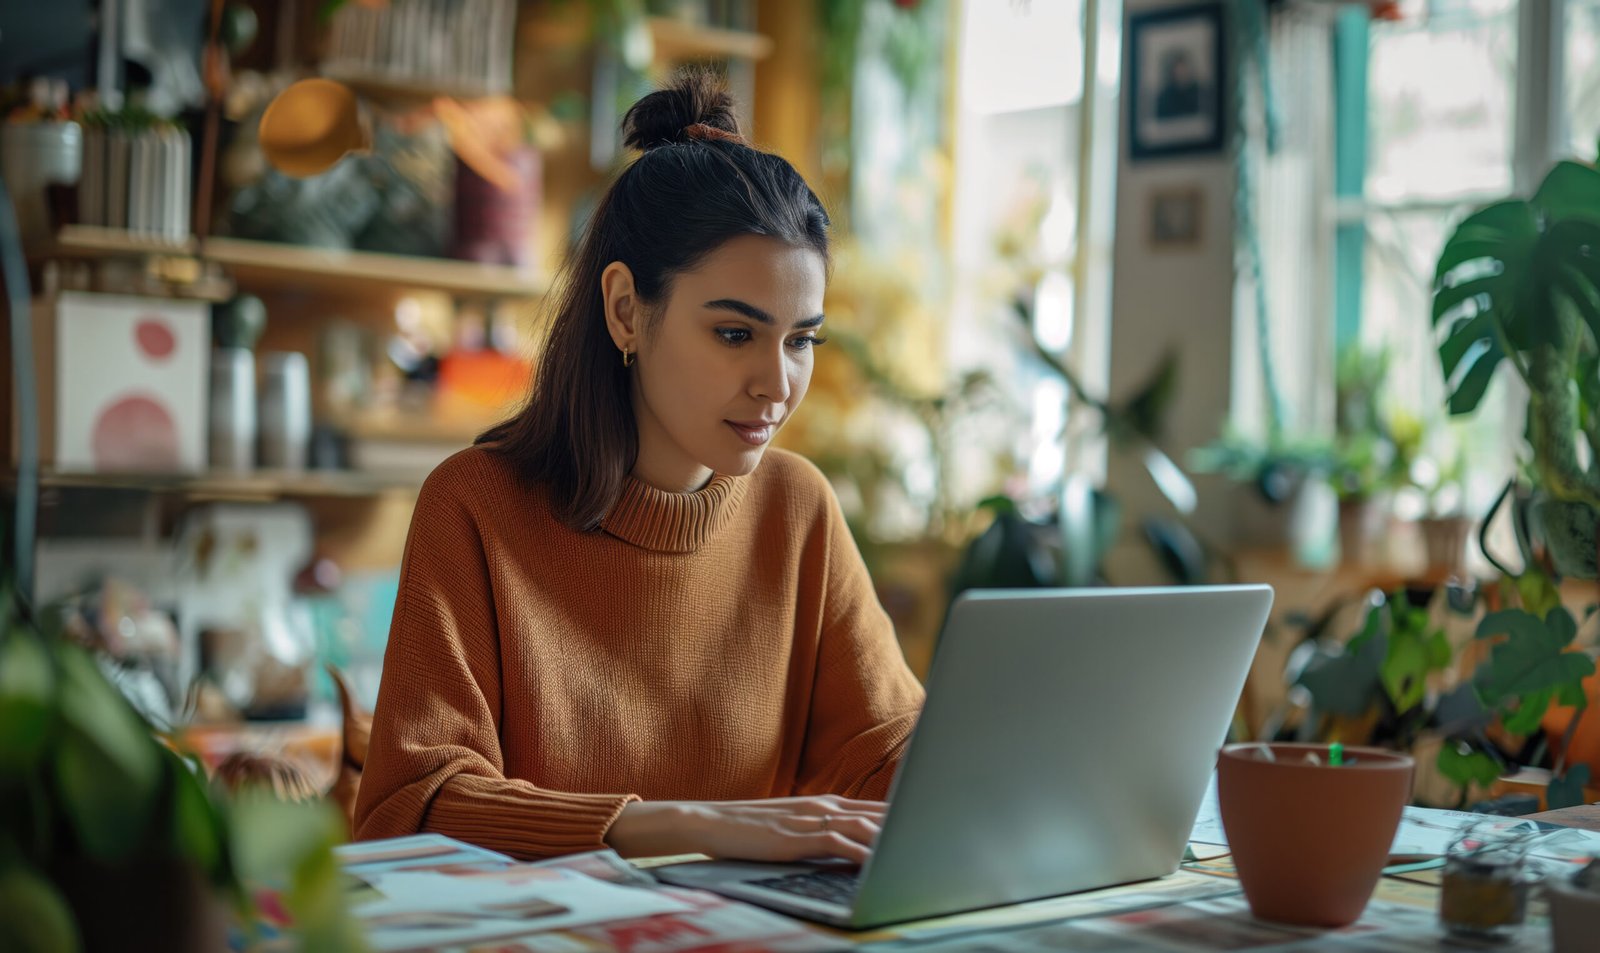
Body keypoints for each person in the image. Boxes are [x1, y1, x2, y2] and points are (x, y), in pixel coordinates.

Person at [353, 71, 927, 866]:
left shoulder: (798, 509)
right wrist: (678, 825)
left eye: (801, 339)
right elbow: (407, 808)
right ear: (625, 309)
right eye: (735, 334)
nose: (777, 382)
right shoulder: (474, 506)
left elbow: (891, 756)